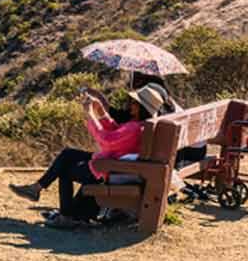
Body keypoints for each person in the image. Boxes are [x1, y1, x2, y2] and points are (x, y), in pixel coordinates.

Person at [9, 84, 166, 229]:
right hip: (117, 163)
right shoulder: (141, 125)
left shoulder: (134, 128)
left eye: (134, 103)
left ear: (141, 107)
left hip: (111, 168)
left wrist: (91, 116)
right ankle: (38, 189)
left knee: (65, 169)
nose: (130, 104)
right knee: (68, 154)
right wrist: (102, 113)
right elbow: (115, 131)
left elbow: (106, 140)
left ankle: (65, 216)